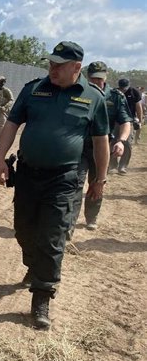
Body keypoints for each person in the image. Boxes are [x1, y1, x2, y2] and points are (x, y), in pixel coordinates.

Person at [0, 41, 109, 330]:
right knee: (24, 230)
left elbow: (100, 142)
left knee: (53, 236)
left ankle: (41, 297)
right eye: (51, 64)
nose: (52, 69)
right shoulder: (33, 89)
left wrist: (100, 178)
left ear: (77, 68)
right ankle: (33, 265)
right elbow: (11, 124)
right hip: (29, 174)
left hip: (65, 179)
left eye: (59, 65)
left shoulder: (92, 98)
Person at [69, 62, 131, 235]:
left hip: (103, 149)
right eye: (93, 78)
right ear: (87, 77)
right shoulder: (79, 92)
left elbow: (126, 121)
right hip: (80, 147)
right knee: (75, 183)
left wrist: (121, 141)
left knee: (97, 183)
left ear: (106, 77)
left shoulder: (116, 96)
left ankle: (91, 218)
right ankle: (69, 224)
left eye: (100, 79)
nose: (97, 82)